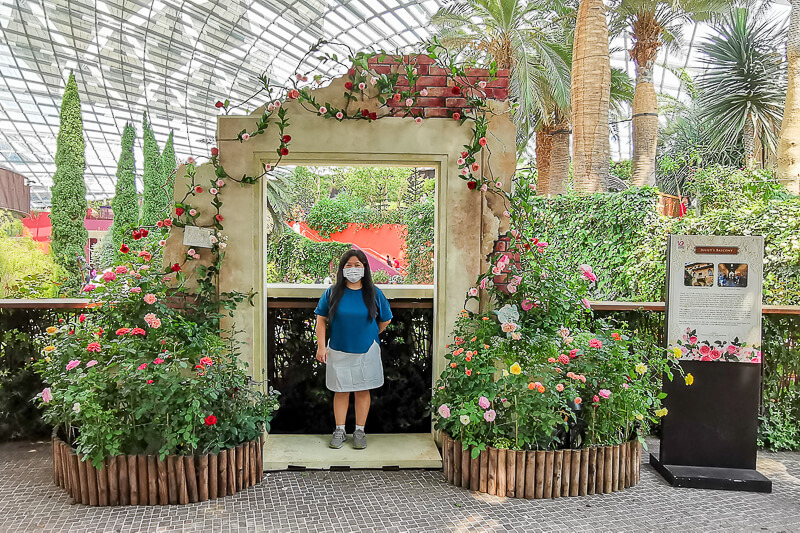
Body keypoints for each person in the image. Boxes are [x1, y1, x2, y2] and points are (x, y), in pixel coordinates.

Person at [314, 250, 393, 450]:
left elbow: (385, 319)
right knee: (340, 390)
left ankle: (359, 431)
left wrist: (370, 333)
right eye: (348, 265)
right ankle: (339, 430)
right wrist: (321, 346)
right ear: (342, 269)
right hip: (338, 349)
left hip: (367, 350)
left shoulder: (375, 293)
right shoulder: (331, 293)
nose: (353, 269)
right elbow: (321, 320)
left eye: (358, 265)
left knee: (362, 389)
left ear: (365, 268)